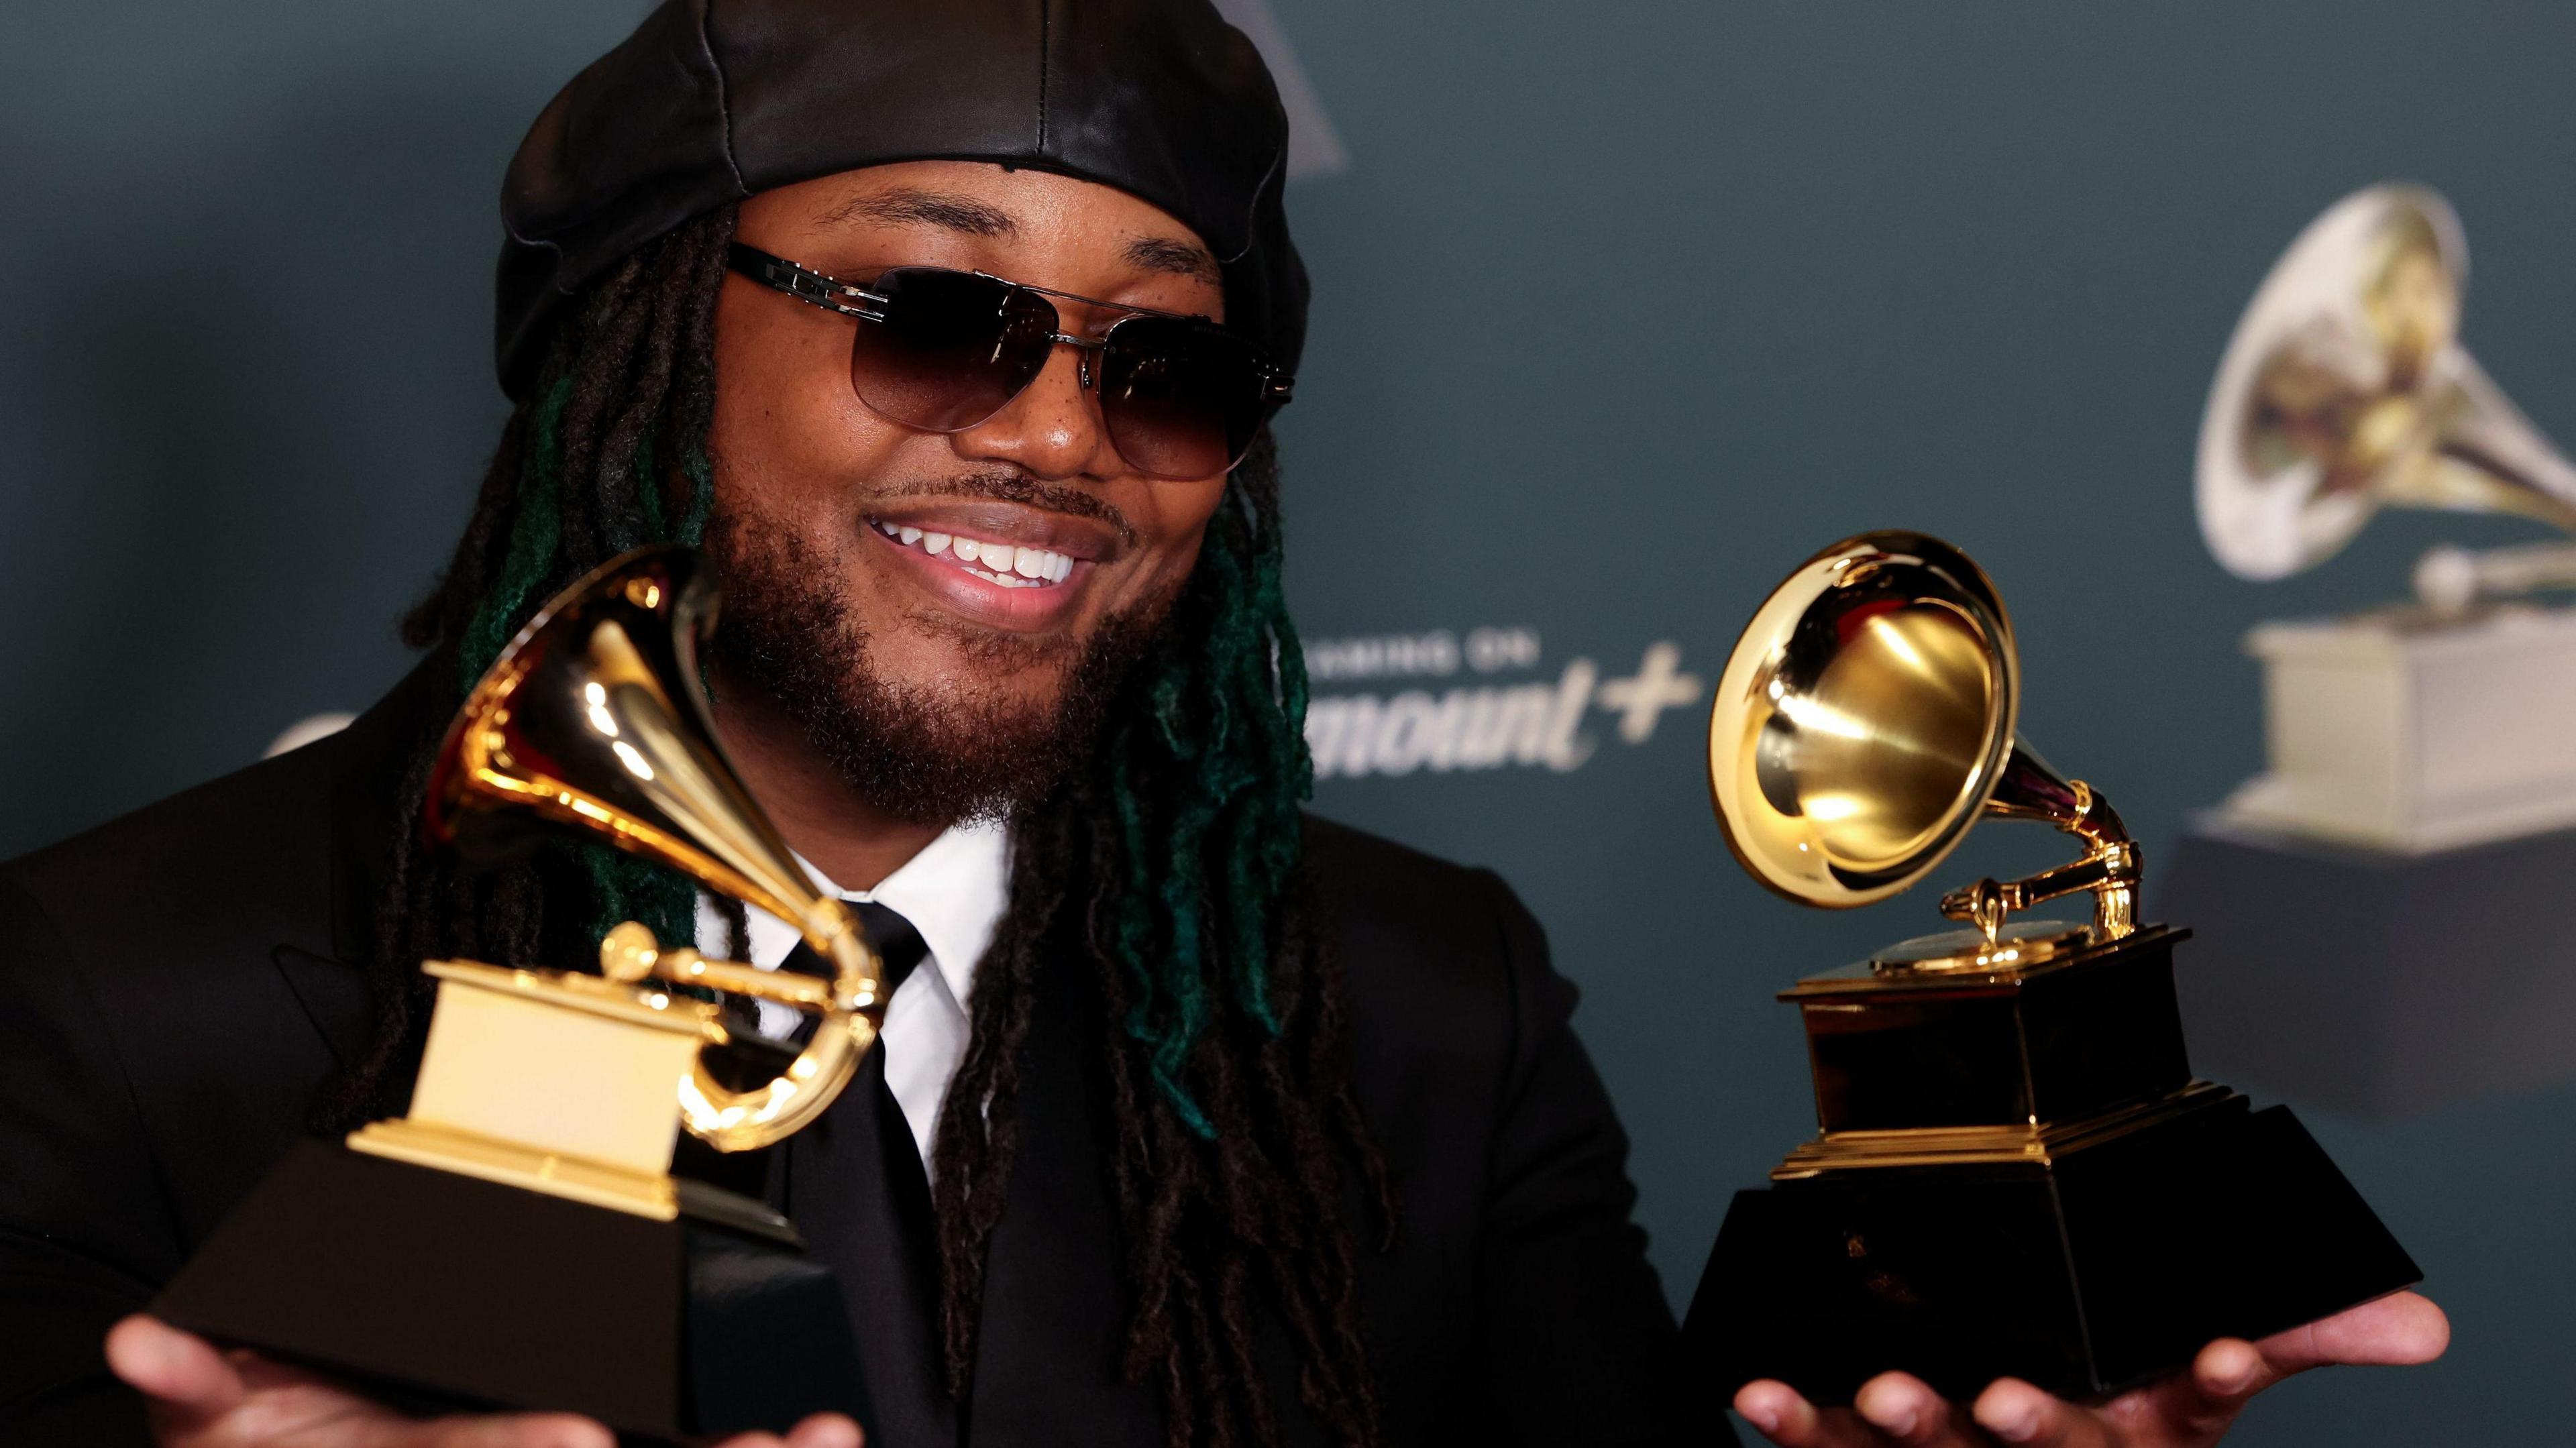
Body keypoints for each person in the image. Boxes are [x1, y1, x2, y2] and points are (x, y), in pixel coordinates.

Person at [0, 3, 2444, 1446]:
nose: (1060, 443)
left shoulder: (1420, 1012)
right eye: (935, 322)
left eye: (1163, 367)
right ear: (649, 355)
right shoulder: (113, 1006)